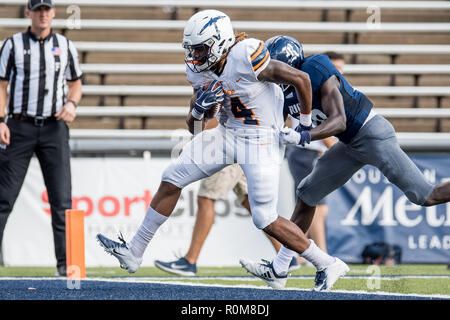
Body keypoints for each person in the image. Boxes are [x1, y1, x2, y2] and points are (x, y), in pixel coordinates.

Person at [97, 9, 348, 291]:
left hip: (261, 140)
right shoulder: (197, 69)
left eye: (200, 49)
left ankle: (326, 262)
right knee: (171, 177)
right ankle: (134, 252)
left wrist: (303, 125)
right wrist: (199, 110)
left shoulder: (248, 54)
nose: (195, 56)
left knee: (263, 217)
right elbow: (194, 130)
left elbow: (301, 79)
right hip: (227, 134)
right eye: (192, 49)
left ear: (219, 42)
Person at [240, 35, 450, 290]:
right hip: (349, 144)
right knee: (307, 193)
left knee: (425, 196)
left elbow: (339, 120)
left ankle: (283, 267)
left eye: (276, 66)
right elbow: (272, 123)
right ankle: (280, 268)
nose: (273, 73)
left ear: (290, 63)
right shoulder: (282, 90)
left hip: (371, 133)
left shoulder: (315, 67)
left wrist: (303, 134)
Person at [0, 0, 83, 276]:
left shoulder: (65, 45)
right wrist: (0, 120)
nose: (43, 14)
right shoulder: (11, 45)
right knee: (3, 199)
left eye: (47, 9)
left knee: (62, 201)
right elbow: (1, 85)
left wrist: (72, 104)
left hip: (53, 127)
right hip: (19, 126)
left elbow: (76, 83)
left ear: (54, 13)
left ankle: (66, 265)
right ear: (29, 13)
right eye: (38, 10)